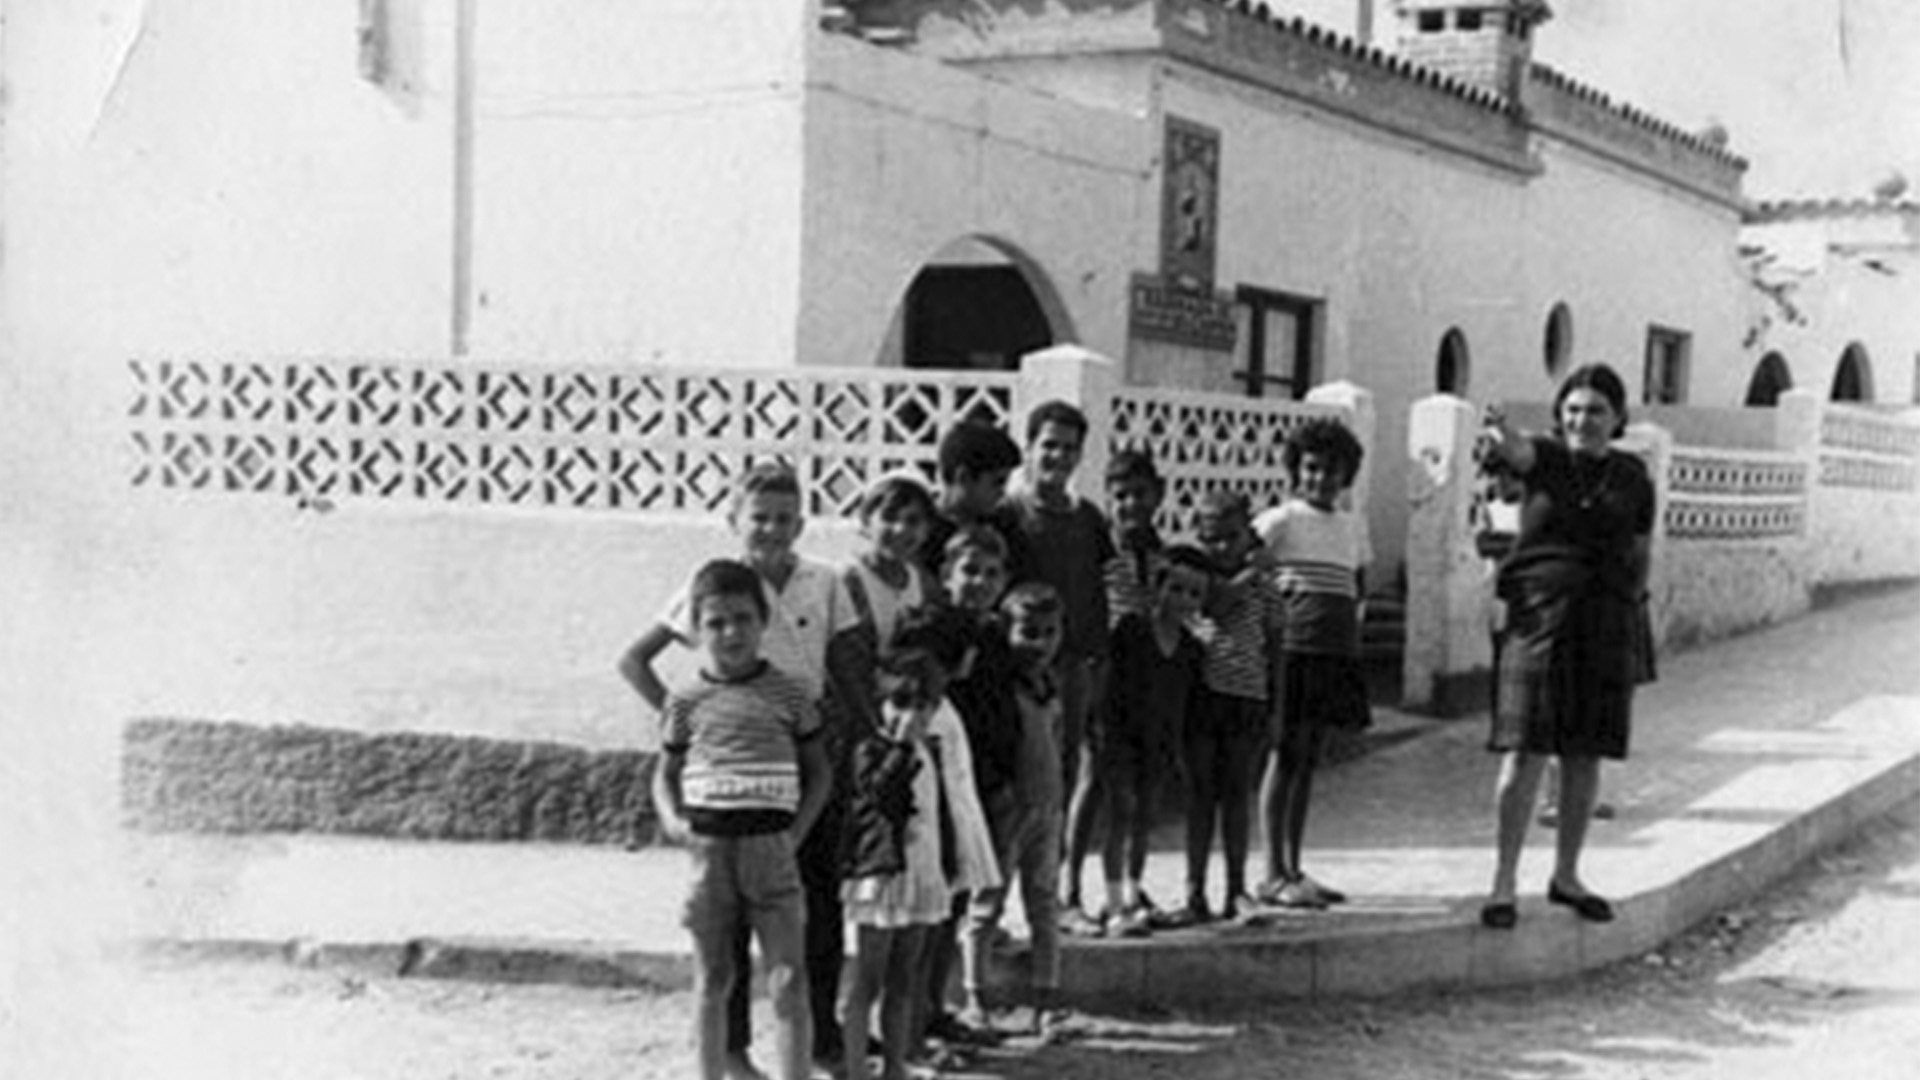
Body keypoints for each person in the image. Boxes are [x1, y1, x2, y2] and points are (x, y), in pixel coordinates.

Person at [618, 462, 868, 1079]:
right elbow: (635, 661)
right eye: (759, 517)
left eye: (785, 518)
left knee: (817, 913)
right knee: (723, 932)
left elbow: (844, 664)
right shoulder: (715, 586)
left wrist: (865, 734)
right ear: (735, 521)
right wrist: (701, 724)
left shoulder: (825, 580)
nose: (772, 529)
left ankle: (820, 1046)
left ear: (802, 523)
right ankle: (730, 1054)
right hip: (730, 783)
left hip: (799, 760)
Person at [1475, 363, 1655, 930]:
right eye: (1573, 409)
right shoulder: (1546, 458)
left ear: (1618, 418)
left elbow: (1641, 547)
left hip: (1603, 621)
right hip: (1538, 622)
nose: (1583, 420)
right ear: (1560, 416)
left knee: (1584, 753)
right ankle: (1504, 882)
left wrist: (1635, 607)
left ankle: (1567, 876)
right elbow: (1518, 452)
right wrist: (1501, 432)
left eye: (1596, 410)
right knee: (1524, 750)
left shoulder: (1632, 476)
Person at [651, 559, 832, 1080]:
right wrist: (675, 824)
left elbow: (819, 772)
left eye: (743, 619)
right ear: (697, 629)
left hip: (772, 850)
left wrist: (795, 831)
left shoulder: (791, 693)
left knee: (788, 978)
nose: (731, 632)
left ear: (763, 621)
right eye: (716, 622)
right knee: (713, 978)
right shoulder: (685, 700)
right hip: (709, 852)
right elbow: (664, 773)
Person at [839, 646, 998, 1080]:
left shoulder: (932, 749)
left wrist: (950, 867)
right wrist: (900, 747)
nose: (912, 714)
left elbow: (941, 814)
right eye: (901, 703)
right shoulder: (872, 748)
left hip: (923, 876)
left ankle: (896, 1064)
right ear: (882, 702)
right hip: (884, 878)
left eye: (923, 705)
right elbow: (879, 797)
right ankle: (855, 1069)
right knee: (867, 980)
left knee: (905, 979)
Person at [1001, 401, 1117, 931]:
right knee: (1007, 785)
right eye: (1048, 445)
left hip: (1072, 670)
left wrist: (1096, 668)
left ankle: (1059, 898)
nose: (1058, 457)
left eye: (1069, 449)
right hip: (1015, 673)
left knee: (1062, 779)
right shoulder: (1008, 517)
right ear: (1029, 447)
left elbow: (1098, 594)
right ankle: (990, 908)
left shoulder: (1089, 519)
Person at [1252, 418, 1372, 909]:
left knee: (1308, 763)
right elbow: (1249, 570)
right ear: (1296, 470)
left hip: (1333, 656)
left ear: (1346, 476)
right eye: (1312, 468)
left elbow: (1357, 585)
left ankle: (1295, 867)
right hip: (1292, 657)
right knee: (1283, 757)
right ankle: (1270, 872)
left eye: (1332, 471)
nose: (1321, 479)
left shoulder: (1351, 526)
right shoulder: (1281, 521)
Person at [914, 524, 1019, 1061]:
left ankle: (935, 1009)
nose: (979, 582)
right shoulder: (937, 630)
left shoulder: (997, 633)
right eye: (969, 571)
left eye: (991, 573)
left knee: (954, 905)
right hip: (939, 788)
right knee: (929, 912)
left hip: (982, 786)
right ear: (946, 576)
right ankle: (914, 1026)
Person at [1166, 490, 1285, 925]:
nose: (1221, 548)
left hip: (1248, 700)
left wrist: (1277, 709)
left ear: (1247, 534)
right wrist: (1252, 571)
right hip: (1203, 699)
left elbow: (1276, 648)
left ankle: (1236, 889)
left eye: (1230, 537)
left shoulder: (1267, 590)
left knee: (1236, 795)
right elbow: (1215, 605)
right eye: (1211, 538)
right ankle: (1194, 892)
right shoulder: (1198, 581)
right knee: (1199, 797)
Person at [960, 583, 1068, 1037]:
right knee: (987, 905)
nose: (1039, 644)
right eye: (1028, 632)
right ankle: (974, 997)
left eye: (1049, 632)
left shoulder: (1049, 683)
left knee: (1044, 903)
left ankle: (1047, 998)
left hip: (1048, 808)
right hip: (1008, 807)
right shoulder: (999, 689)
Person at [1094, 544, 1210, 936]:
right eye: (1176, 588)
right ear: (1158, 587)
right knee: (1120, 813)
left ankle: (1132, 893)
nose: (1183, 599)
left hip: (1159, 743)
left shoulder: (1193, 649)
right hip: (1122, 736)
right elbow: (1110, 684)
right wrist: (1102, 730)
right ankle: (1111, 904)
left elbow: (1187, 703)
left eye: (1194, 594)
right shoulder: (1132, 630)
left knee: (1144, 818)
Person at [920, 420, 1029, 584]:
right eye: (997, 482)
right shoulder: (919, 532)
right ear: (963, 477)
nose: (1002, 493)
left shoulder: (1005, 530)